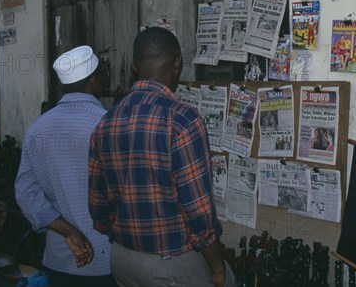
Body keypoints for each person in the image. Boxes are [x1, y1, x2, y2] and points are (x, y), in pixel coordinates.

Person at [88, 27, 235, 287]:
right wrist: (217, 267)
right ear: (177, 63)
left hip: (122, 259)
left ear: (134, 65)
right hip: (172, 264)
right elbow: (197, 211)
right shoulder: (183, 120)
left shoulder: (105, 122)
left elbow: (98, 205)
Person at [15, 45, 115, 287]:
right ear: (94, 81)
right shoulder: (109, 126)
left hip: (60, 257)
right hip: (108, 260)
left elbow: (26, 193)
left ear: (62, 86)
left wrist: (69, 232)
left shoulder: (36, 130)